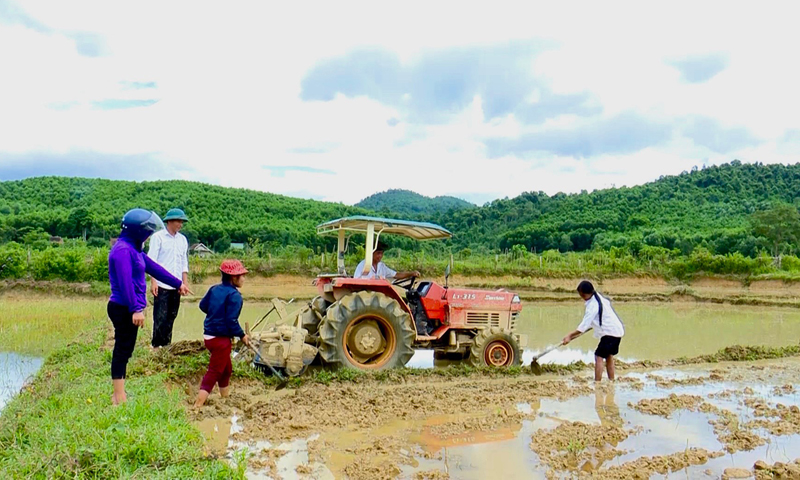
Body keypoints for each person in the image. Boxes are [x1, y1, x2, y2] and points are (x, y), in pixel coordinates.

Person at [107, 208, 192, 405]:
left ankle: (121, 391)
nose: (148, 235)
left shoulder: (135, 250)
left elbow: (155, 269)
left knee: (127, 349)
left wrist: (178, 283)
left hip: (129, 307)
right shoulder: (122, 251)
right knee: (122, 349)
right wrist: (136, 309)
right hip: (123, 307)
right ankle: (118, 395)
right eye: (146, 231)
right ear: (137, 231)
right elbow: (126, 283)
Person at [194, 259, 251, 408]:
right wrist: (243, 335)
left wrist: (216, 313)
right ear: (234, 277)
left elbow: (203, 305)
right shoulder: (235, 296)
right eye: (242, 275)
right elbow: (232, 321)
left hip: (209, 336)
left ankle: (225, 399)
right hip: (220, 340)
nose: (244, 278)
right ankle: (197, 405)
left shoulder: (214, 289)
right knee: (214, 372)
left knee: (226, 369)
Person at [561, 280, 625, 382]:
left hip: (610, 332)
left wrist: (569, 335)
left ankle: (597, 383)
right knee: (608, 356)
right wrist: (571, 337)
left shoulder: (593, 305)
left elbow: (583, 326)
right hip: (617, 331)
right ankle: (611, 380)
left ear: (582, 293)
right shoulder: (597, 297)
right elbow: (590, 323)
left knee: (598, 356)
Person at [147, 208, 190, 349]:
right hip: (161, 285)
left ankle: (166, 347)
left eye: (182, 221)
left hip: (177, 286)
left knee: (172, 316)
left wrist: (185, 283)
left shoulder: (183, 240)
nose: (180, 224)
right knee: (160, 317)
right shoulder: (158, 237)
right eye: (178, 221)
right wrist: (153, 282)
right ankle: (156, 346)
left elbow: (184, 263)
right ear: (169, 221)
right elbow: (151, 262)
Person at [352, 242, 420, 280]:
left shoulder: (382, 266)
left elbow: (396, 275)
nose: (380, 256)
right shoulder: (363, 265)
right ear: (371, 253)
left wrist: (411, 273)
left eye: (381, 253)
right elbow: (356, 281)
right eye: (378, 253)